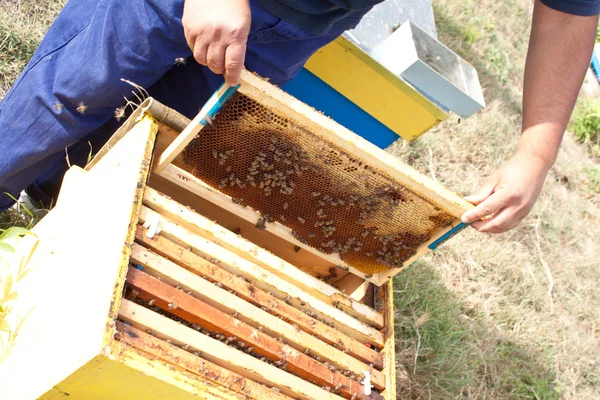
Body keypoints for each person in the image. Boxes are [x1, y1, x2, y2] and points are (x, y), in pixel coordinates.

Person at [0, 0, 598, 234]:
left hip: (296, 26)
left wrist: (536, 150)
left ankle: (52, 227)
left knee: (147, 143)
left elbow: (569, 10)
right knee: (69, 97)